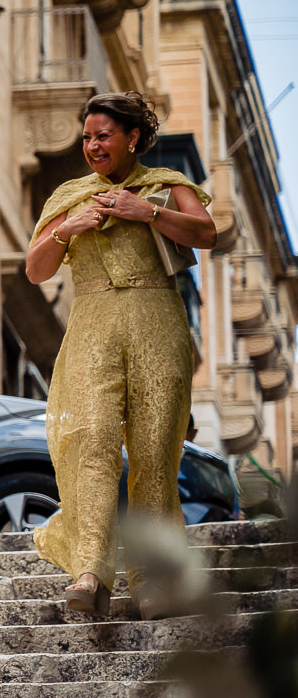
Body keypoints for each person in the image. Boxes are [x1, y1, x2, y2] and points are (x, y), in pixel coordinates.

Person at [25, 90, 215, 618]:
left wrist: (147, 211)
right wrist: (68, 228)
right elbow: (35, 270)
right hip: (92, 325)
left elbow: (207, 234)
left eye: (102, 135)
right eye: (86, 137)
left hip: (158, 323)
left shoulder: (167, 186)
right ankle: (90, 572)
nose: (92, 145)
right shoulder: (68, 195)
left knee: (155, 451)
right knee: (92, 439)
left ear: (133, 138)